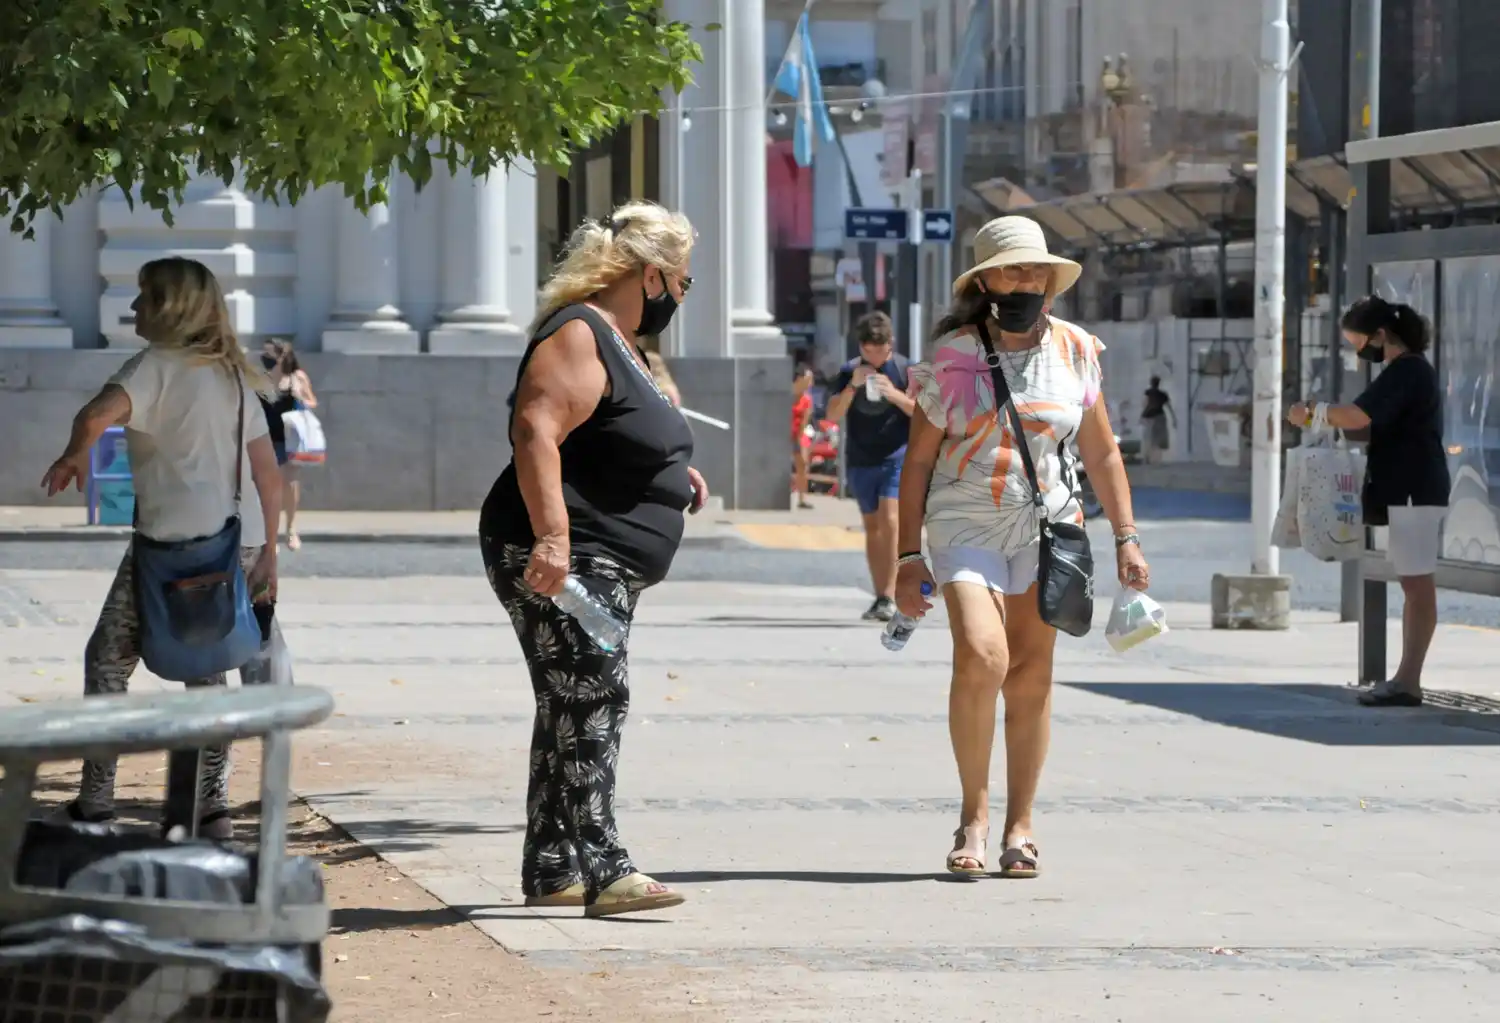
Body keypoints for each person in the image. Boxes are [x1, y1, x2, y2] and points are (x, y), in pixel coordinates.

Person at [895, 215, 1150, 878]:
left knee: (1032, 676)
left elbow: (1102, 452)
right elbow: (917, 463)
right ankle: (974, 815)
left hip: (1048, 527)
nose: (1027, 280)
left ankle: (1021, 825)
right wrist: (906, 556)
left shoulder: (1076, 350)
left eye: (1036, 269)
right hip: (964, 524)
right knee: (984, 655)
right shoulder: (953, 357)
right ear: (985, 282)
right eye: (1012, 270)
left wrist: (1126, 537)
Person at [478, 201, 709, 918]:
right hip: (564, 553)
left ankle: (552, 867)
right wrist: (553, 538)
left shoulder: (617, 339)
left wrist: (671, 477)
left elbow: (613, 432)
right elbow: (535, 429)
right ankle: (605, 867)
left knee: (569, 700)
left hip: (598, 553)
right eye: (682, 281)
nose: (680, 296)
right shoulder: (580, 331)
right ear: (650, 274)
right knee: (595, 696)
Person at [40, 256, 284, 840]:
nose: (133, 308)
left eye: (143, 296)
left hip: (171, 547)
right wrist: (271, 551)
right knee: (208, 671)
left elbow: (96, 414)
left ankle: (95, 802)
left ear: (170, 307)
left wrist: (74, 454)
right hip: (237, 541)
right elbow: (268, 474)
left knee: (107, 660)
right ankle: (211, 808)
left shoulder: (154, 365)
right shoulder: (233, 375)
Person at [1287, 295, 1449, 707]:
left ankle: (1408, 681)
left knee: (1417, 584)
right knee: (1413, 583)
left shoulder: (1408, 370)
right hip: (1410, 487)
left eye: (1359, 343)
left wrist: (1313, 412)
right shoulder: (1406, 371)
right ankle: (1406, 679)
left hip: (1414, 489)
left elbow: (1359, 416)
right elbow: (1371, 423)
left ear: (1380, 334)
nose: (1359, 352)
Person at [827, 312, 913, 620]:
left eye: (880, 349)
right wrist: (852, 386)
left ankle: (890, 595)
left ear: (891, 344)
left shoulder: (906, 369)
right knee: (873, 527)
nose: (874, 356)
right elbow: (832, 415)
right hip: (861, 457)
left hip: (897, 455)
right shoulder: (849, 370)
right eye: (868, 350)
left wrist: (895, 394)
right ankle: (881, 596)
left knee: (890, 521)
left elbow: (925, 413)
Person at [260, 340, 318, 550]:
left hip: (290, 436)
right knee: (269, 485)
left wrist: (300, 399)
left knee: (290, 482)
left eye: (270, 355)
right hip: (266, 436)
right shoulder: (262, 379)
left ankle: (291, 528)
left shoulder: (297, 377)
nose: (265, 359)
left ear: (281, 357)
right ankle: (271, 534)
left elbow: (313, 401)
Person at [791, 362, 815, 510]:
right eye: (808, 379)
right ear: (799, 379)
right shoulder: (786, 395)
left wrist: (799, 439)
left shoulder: (807, 399)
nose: (810, 383)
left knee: (803, 464)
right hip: (783, 433)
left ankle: (802, 498)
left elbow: (805, 421)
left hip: (799, 433)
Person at [1140, 375, 1176, 464]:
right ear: (1159, 383)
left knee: (1148, 437)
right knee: (1158, 439)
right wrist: (1174, 419)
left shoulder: (1148, 393)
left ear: (1151, 383)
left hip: (1148, 417)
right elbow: (1169, 407)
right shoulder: (1163, 394)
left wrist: (1141, 417)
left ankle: (1147, 456)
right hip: (1159, 416)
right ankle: (1155, 458)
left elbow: (1145, 404)